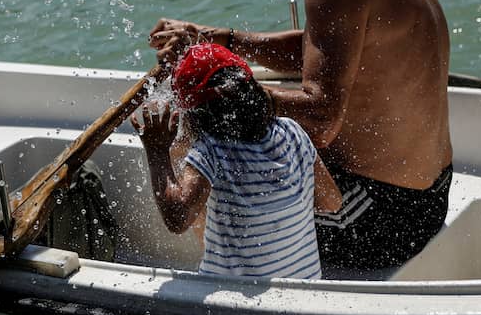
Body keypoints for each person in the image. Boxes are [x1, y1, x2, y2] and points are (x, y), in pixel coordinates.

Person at [148, 0, 454, 272]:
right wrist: (221, 41)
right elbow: (323, 48)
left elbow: (322, 117)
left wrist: (224, 91)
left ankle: (237, 283)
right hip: (428, 199)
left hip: (380, 220)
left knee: (192, 143)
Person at [133, 43, 340, 280]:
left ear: (194, 114)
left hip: (234, 305)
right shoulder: (292, 131)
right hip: (305, 291)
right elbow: (331, 202)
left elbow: (177, 220)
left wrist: (157, 151)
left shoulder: (210, 150)